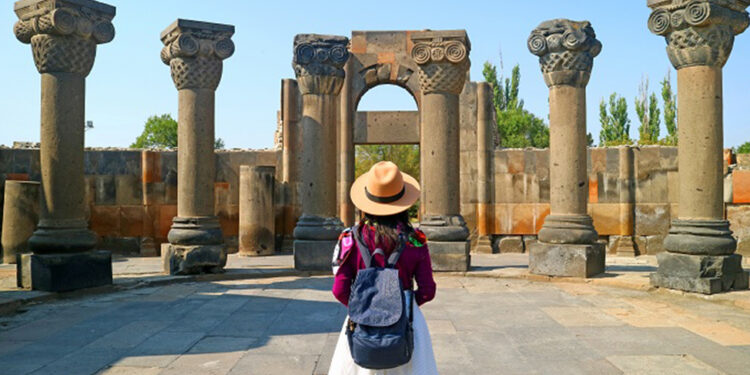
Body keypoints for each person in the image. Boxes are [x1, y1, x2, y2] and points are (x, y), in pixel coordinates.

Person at [328, 161, 438, 375]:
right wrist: (401, 303)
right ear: (403, 202)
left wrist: (364, 306)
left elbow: (339, 290)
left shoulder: (350, 239)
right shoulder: (415, 241)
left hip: (362, 323)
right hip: (406, 323)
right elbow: (427, 291)